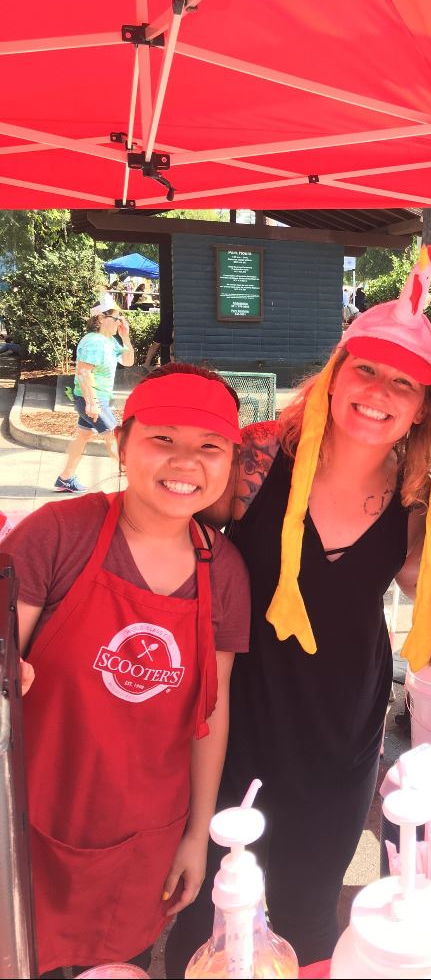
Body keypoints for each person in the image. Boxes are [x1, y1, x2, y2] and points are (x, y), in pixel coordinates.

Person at [165, 247, 431, 971]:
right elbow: (165, 535)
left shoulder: (419, 492)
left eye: (404, 383)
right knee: (210, 909)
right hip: (234, 719)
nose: (379, 392)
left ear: (422, 408)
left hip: (340, 731)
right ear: (336, 372)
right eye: (367, 370)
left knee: (310, 904)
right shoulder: (259, 458)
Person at [6, 364, 251, 977]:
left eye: (208, 447)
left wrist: (198, 835)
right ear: (122, 444)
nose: (184, 462)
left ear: (230, 464)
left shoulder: (224, 573)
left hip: (142, 842)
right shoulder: (55, 537)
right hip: (27, 827)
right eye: (162, 439)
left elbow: (211, 713)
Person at [55, 301, 134, 493]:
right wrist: (92, 403)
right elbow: (83, 372)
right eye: (116, 318)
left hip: (94, 399)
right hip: (92, 399)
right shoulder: (93, 341)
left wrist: (126, 338)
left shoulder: (109, 341)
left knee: (83, 436)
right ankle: (139, 484)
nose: (120, 322)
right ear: (100, 318)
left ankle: (65, 478)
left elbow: (128, 361)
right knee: (115, 438)